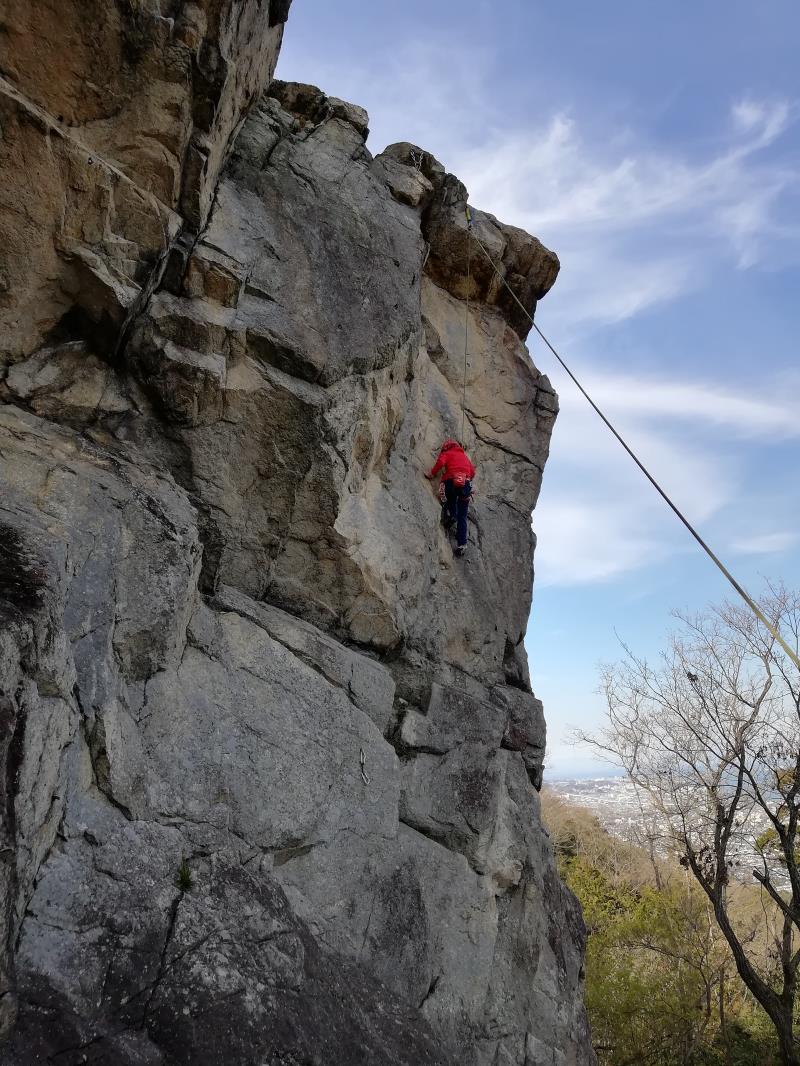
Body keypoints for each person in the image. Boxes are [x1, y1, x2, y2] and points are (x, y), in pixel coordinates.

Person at [425, 439, 475, 557]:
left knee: (449, 497)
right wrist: (466, 478)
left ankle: (452, 515)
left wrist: (432, 474)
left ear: (446, 447)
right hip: (465, 484)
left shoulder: (447, 453)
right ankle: (462, 544)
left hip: (451, 481)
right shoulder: (465, 457)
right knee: (463, 516)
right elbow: (473, 472)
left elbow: (440, 463)